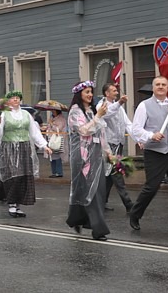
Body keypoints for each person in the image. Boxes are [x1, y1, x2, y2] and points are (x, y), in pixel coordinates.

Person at [127, 76, 168, 234]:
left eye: (163, 84)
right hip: (155, 152)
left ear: (167, 88)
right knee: (152, 188)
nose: (161, 87)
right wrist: (150, 135)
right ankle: (135, 213)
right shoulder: (144, 106)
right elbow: (136, 129)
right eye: (158, 84)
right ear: (153, 88)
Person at [0, 91, 52, 218]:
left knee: (23, 176)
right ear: (8, 101)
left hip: (24, 148)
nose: (15, 100)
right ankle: (12, 204)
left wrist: (44, 145)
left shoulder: (26, 114)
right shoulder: (3, 114)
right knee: (12, 176)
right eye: (12, 98)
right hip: (9, 148)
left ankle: (19, 204)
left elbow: (34, 132)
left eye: (17, 98)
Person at [65, 80, 110, 241]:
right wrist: (98, 116)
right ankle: (99, 229)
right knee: (90, 190)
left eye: (91, 92)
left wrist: (108, 152)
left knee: (94, 190)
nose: (90, 95)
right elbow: (84, 130)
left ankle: (76, 219)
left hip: (96, 154)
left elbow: (101, 133)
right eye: (87, 92)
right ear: (79, 94)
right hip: (82, 156)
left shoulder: (91, 111)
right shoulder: (75, 112)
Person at [97, 84, 134, 213]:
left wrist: (138, 138)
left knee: (109, 175)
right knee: (117, 173)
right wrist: (119, 103)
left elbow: (127, 123)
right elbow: (106, 114)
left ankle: (102, 202)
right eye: (113, 91)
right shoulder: (101, 105)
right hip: (108, 146)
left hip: (118, 144)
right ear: (106, 93)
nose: (116, 92)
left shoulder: (119, 108)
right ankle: (129, 204)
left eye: (116, 91)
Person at [46, 110, 67, 177]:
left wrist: (51, 124)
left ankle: (59, 172)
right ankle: (54, 172)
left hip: (57, 140)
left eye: (54, 111)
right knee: (51, 156)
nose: (52, 112)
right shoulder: (51, 118)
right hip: (51, 139)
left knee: (57, 156)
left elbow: (59, 129)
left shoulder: (61, 119)